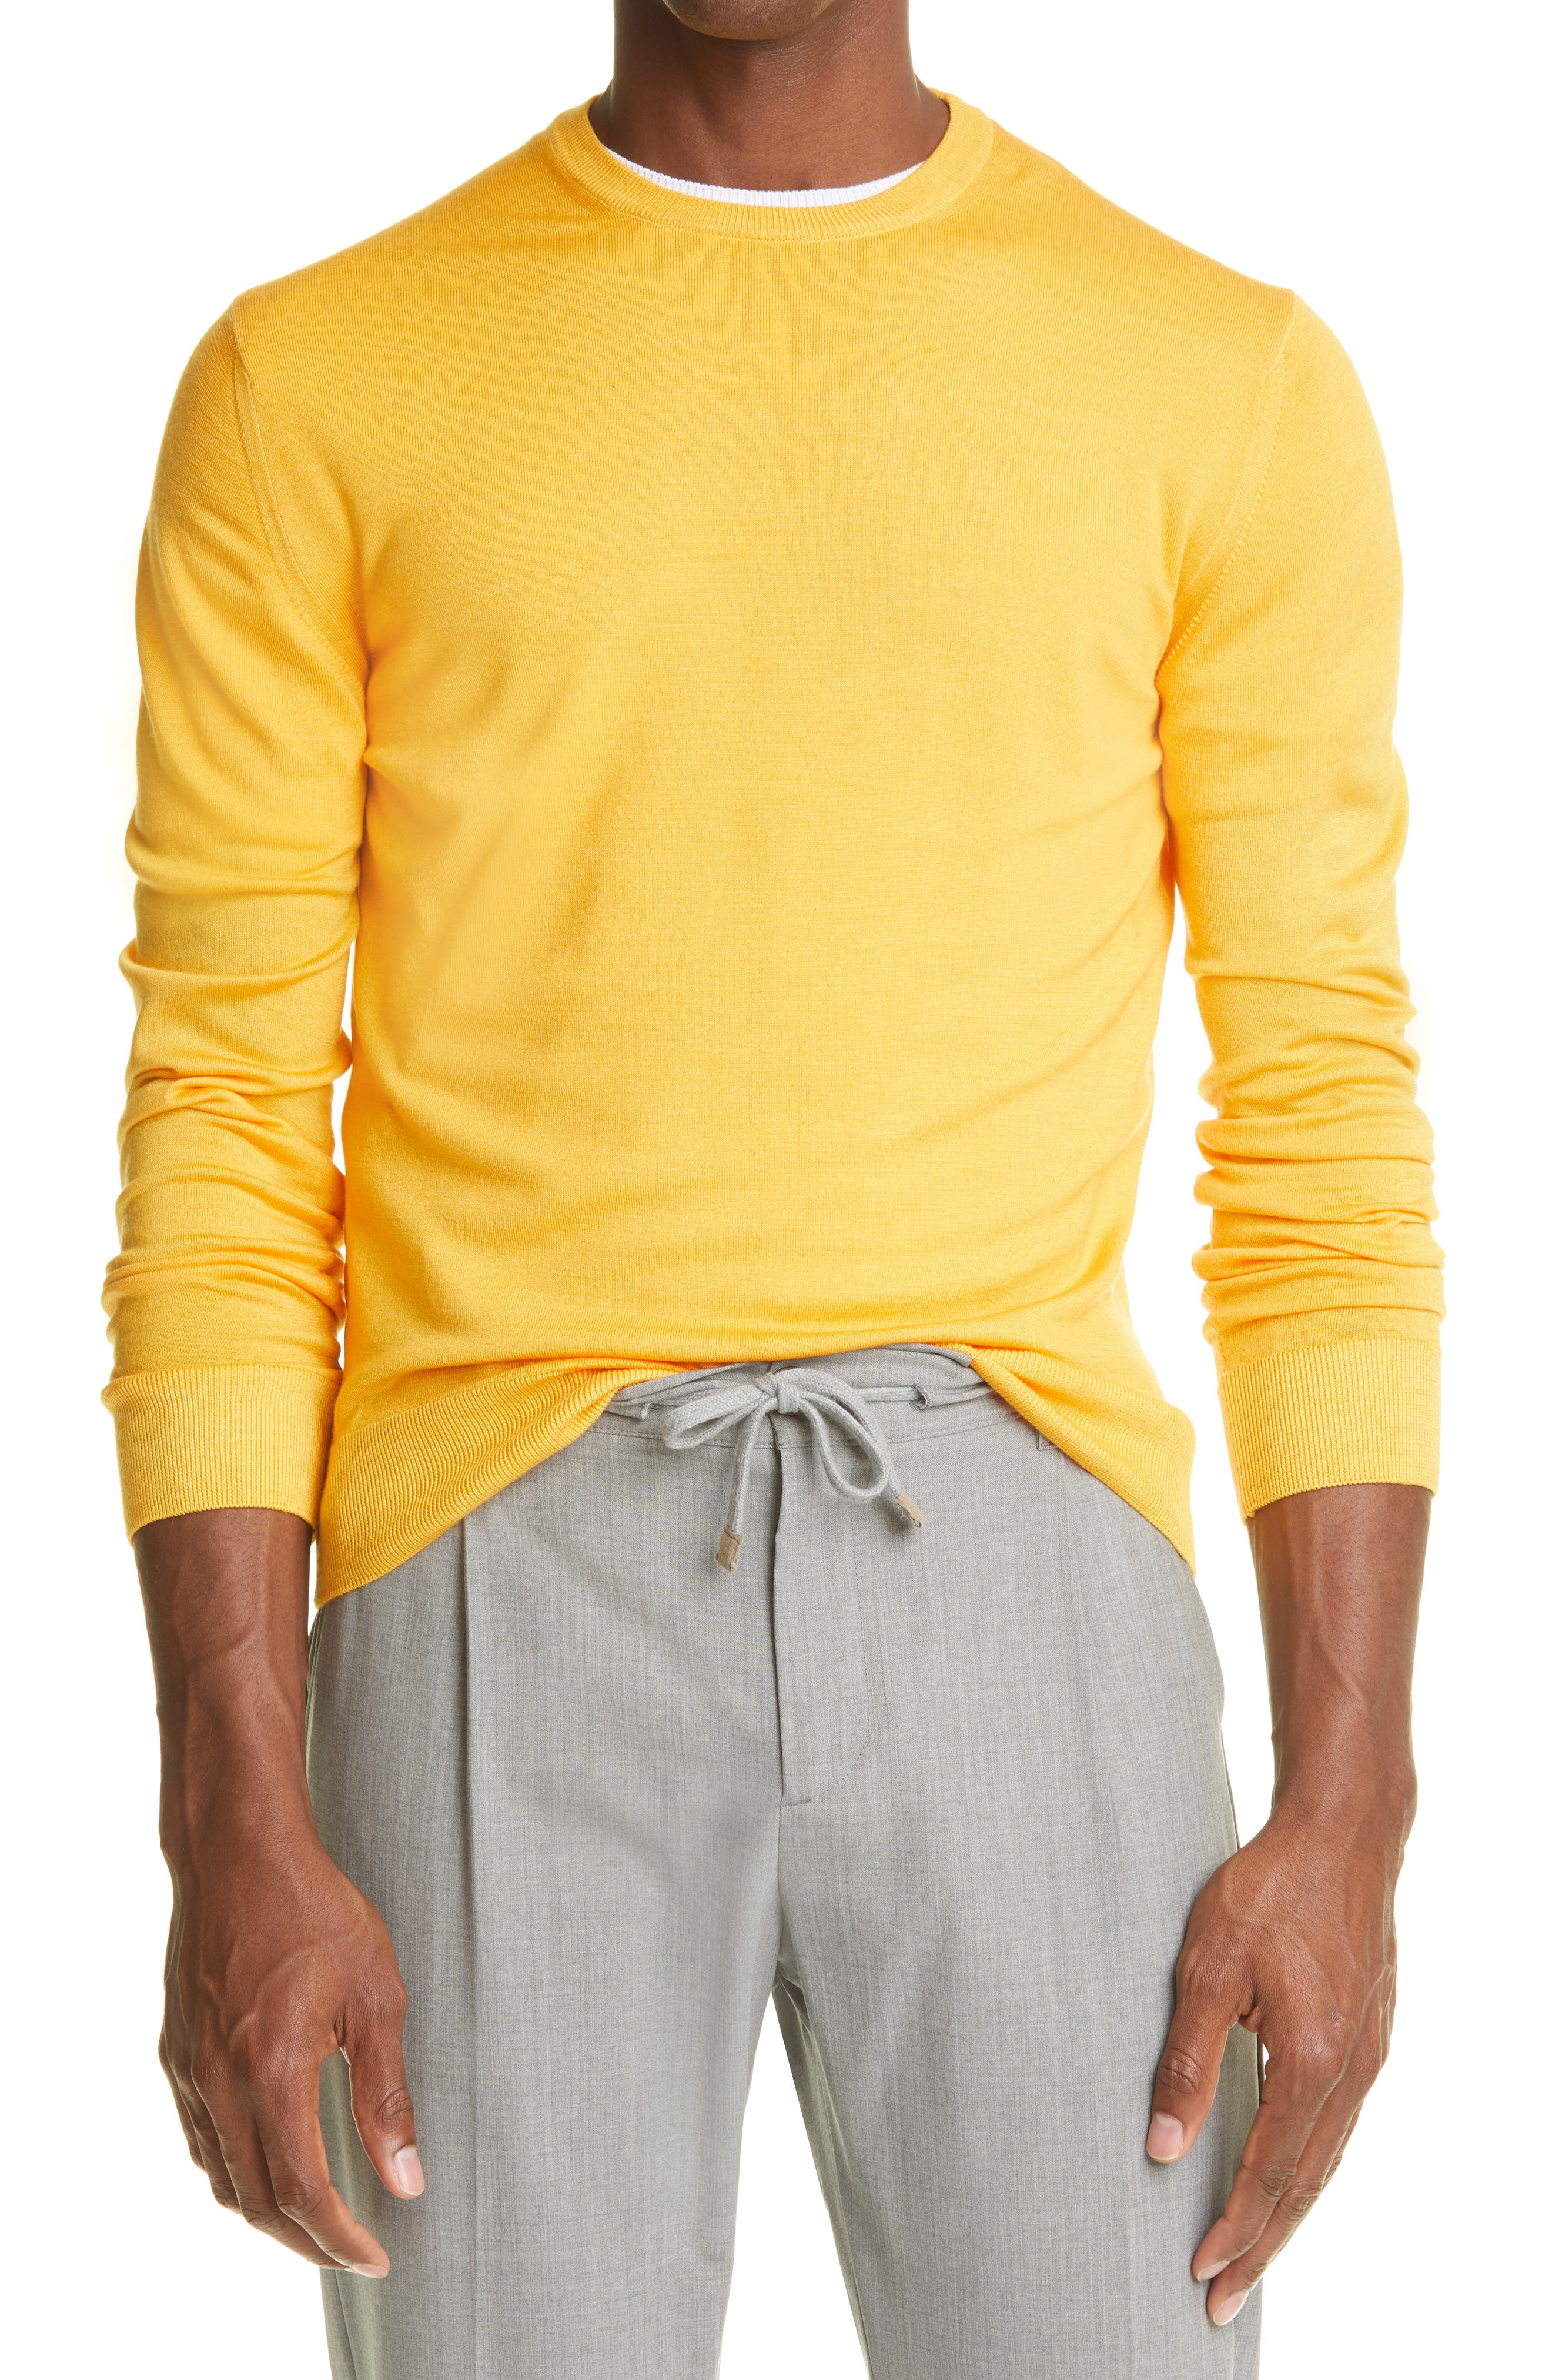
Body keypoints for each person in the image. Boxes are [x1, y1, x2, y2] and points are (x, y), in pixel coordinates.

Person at [105, 1, 1443, 2372]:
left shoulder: (1216, 380)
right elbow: (223, 1107)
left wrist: (1354, 1804)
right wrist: (229, 1802)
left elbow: (1319, 1105)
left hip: (1027, 1553)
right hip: (495, 1569)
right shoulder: (310, 386)